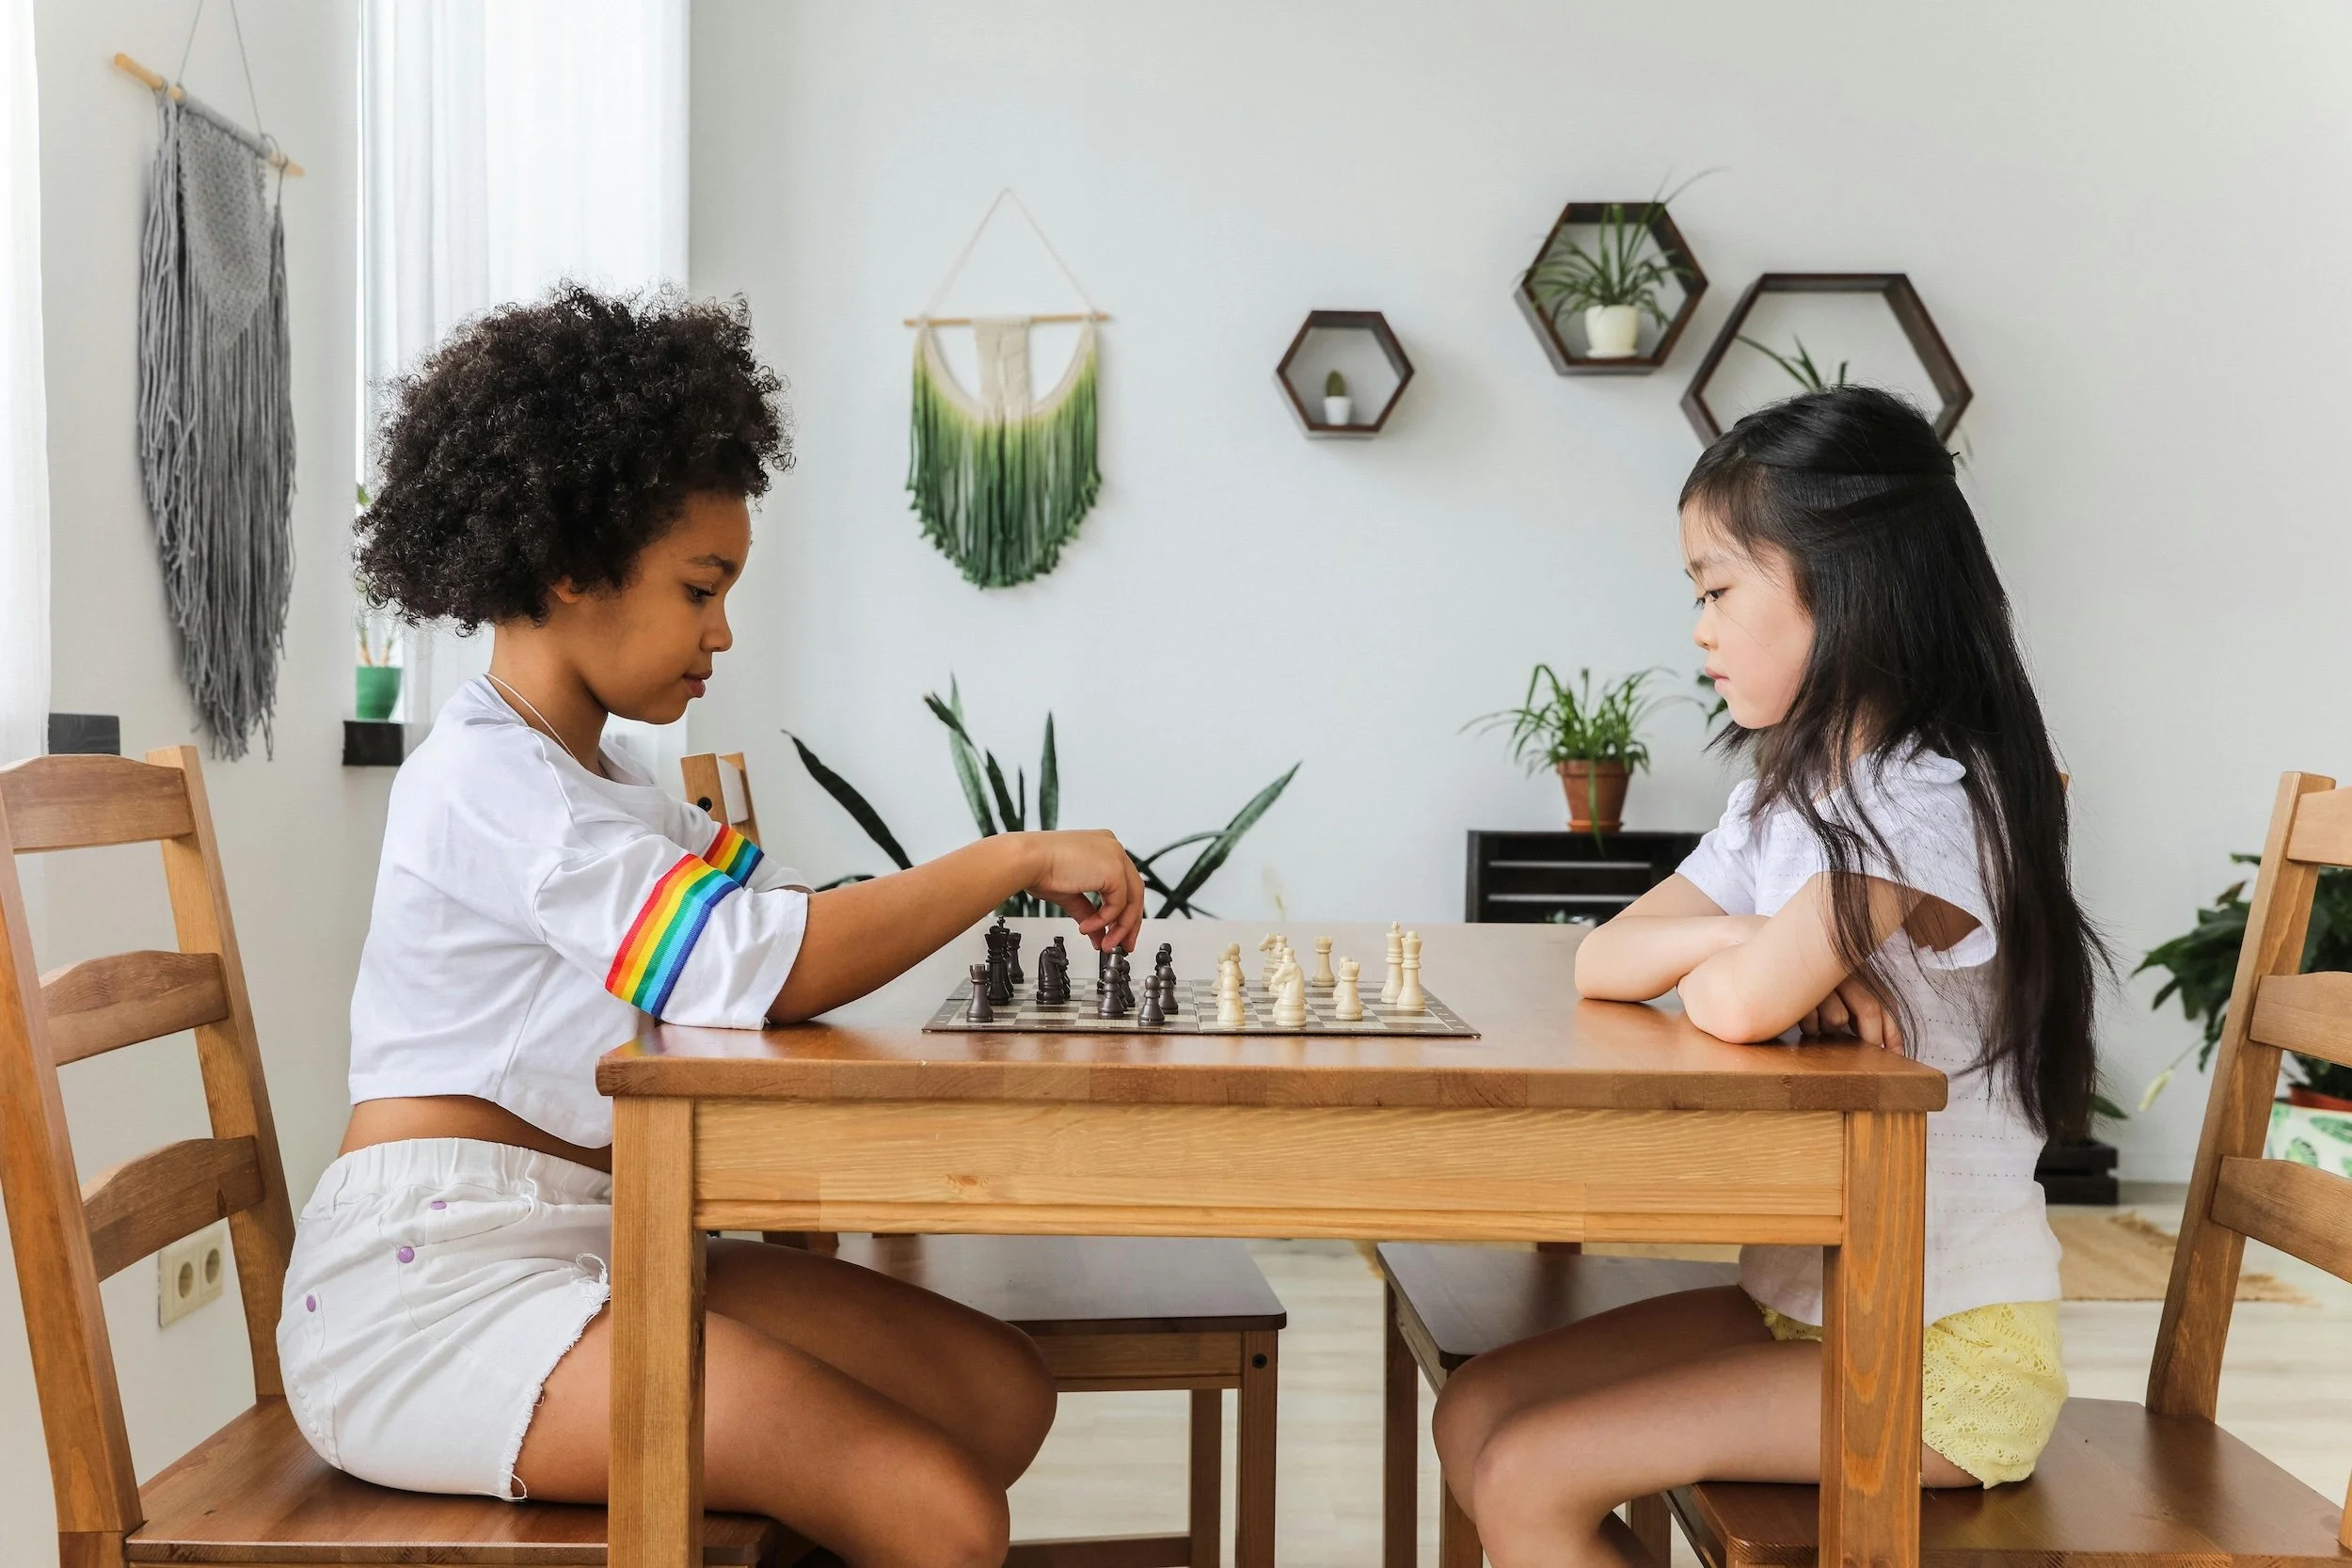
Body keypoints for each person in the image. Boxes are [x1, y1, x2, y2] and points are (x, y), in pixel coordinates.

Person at [282, 286, 1145, 1568]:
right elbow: (753, 964)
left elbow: (778, 910)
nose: (721, 630)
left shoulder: (613, 783)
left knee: (996, 1393)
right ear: (570, 564)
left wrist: (928, 905)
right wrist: (1009, 857)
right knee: (942, 1513)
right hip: (432, 1292)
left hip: (593, 1231)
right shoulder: (487, 780)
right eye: (701, 586)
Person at [1431, 387, 2104, 1568]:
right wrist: (1738, 938)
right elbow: (1605, 957)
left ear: (1842, 586)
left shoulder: (1921, 804)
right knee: (1475, 1412)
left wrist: (1741, 961)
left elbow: (1734, 1010)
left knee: (1529, 1468)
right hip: (1804, 1307)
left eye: (1715, 588)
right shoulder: (1782, 803)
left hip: (1945, 1352)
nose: (1696, 626)